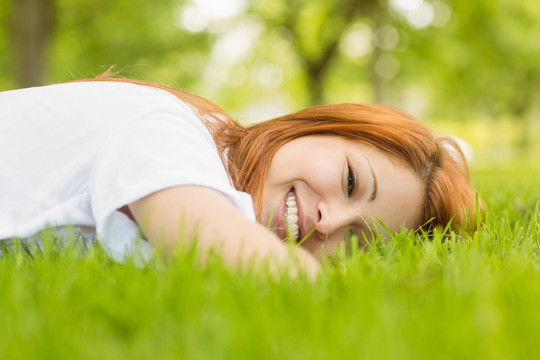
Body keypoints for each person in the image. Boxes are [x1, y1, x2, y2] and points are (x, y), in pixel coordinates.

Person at [0, 76, 480, 276]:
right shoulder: (170, 130)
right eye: (352, 181)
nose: (328, 222)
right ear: (313, 127)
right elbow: (204, 233)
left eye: (355, 241)